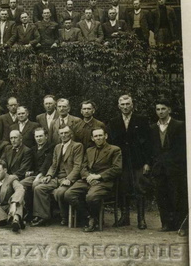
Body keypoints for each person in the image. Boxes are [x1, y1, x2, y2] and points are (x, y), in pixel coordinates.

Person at [64, 127, 122, 232]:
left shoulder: (115, 150)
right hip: (88, 180)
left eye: (100, 135)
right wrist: (88, 177)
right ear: (92, 138)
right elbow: (83, 167)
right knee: (69, 194)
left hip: (103, 182)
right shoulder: (89, 150)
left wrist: (99, 176)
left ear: (106, 136)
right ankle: (88, 216)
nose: (98, 138)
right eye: (96, 136)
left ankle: (94, 220)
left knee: (91, 197)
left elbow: (117, 169)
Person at [106, 95, 151, 228]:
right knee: (122, 188)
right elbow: (110, 143)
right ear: (119, 106)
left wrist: (147, 162)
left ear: (132, 105)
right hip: (121, 161)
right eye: (123, 104)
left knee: (139, 188)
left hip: (138, 160)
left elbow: (148, 143)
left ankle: (141, 219)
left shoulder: (142, 120)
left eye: (128, 104)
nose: (125, 107)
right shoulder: (114, 122)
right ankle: (124, 217)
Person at [31, 125, 83, 227]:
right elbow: (54, 165)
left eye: (66, 133)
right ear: (58, 135)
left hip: (69, 178)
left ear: (71, 134)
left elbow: (77, 166)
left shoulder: (77, 146)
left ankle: (65, 217)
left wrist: (69, 179)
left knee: (60, 192)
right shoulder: (57, 147)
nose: (63, 135)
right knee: (39, 188)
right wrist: (49, 175)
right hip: (57, 178)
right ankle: (43, 216)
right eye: (61, 133)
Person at [149, 99, 187, 234]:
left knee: (177, 195)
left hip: (175, 167)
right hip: (159, 168)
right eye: (158, 109)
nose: (160, 112)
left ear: (169, 110)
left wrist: (177, 164)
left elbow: (182, 148)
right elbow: (151, 149)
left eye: (163, 109)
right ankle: (166, 223)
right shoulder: (153, 127)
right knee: (161, 195)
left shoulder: (179, 125)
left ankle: (180, 224)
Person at [19, 127, 53, 222]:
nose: (39, 138)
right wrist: (30, 171)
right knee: (22, 184)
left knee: (36, 185)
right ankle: (27, 211)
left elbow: (47, 163)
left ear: (46, 136)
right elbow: (32, 165)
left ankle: (39, 214)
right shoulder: (33, 149)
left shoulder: (50, 147)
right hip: (35, 174)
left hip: (46, 175)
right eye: (37, 136)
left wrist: (39, 176)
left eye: (41, 136)